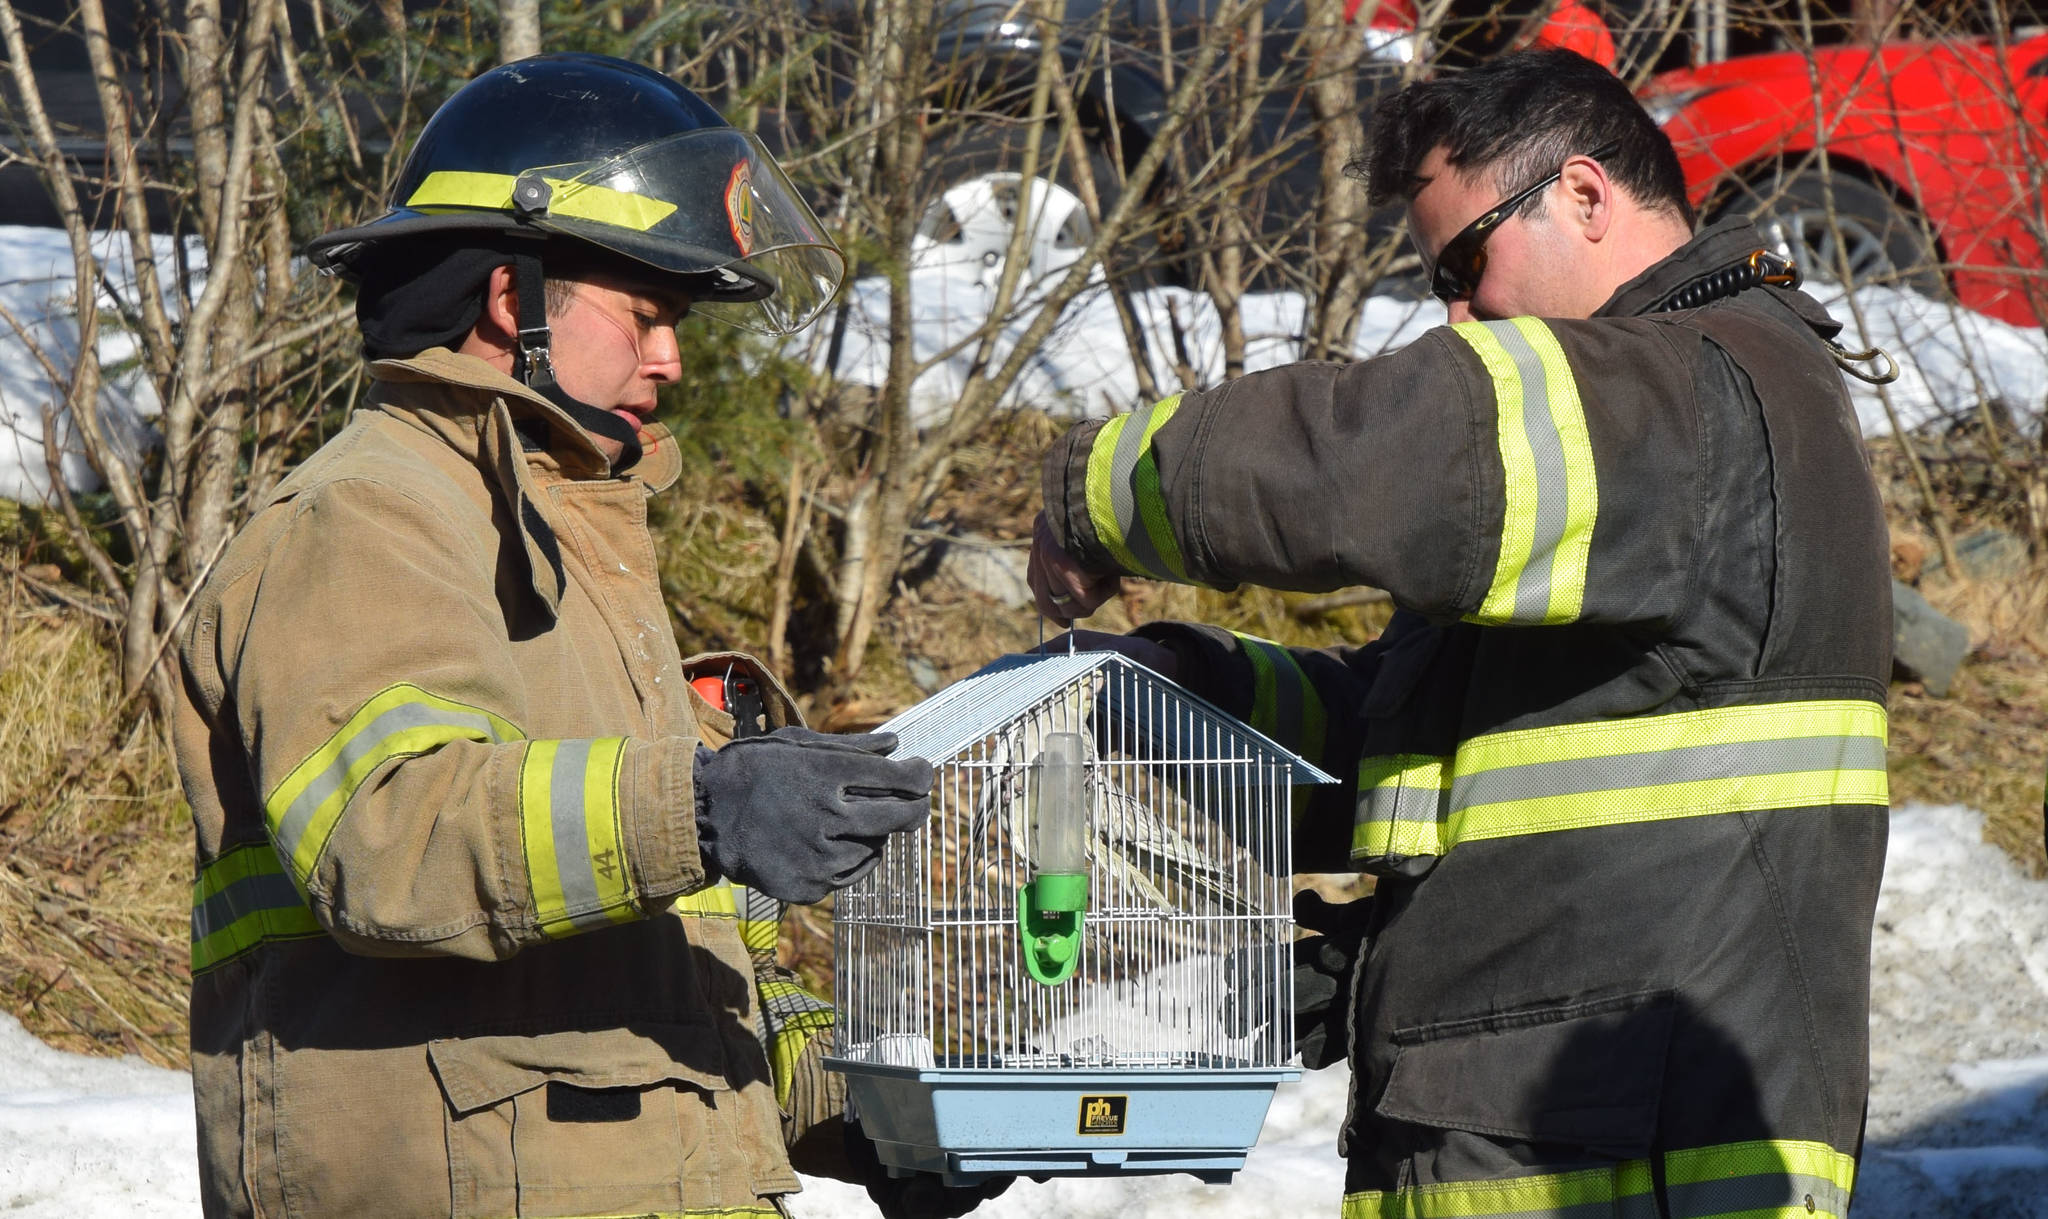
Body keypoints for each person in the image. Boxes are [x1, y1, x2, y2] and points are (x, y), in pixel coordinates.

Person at [1027, 48, 1890, 1219]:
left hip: (1608, 1161)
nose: (1456, 308)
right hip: (1531, 1133)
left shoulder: (1680, 395)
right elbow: (1416, 733)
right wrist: (1187, 687)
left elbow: (1372, 456)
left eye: (1465, 258)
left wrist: (1099, 489)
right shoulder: (1661, 452)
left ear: (1582, 195)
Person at [174, 53, 974, 1219]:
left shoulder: (565, 533)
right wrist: (698, 808)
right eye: (647, 314)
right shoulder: (373, 514)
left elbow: (680, 949)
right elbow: (388, 831)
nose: (673, 359)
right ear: (513, 300)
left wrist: (864, 1116)